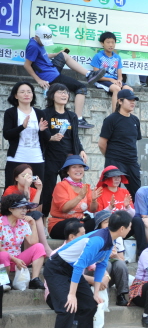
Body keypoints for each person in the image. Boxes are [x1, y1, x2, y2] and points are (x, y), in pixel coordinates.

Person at [44, 211, 132, 328]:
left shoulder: (111, 239)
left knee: (90, 304)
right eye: (130, 226)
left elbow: (101, 265)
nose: (131, 229)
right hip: (57, 268)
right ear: (122, 228)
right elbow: (79, 266)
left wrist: (96, 293)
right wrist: (72, 295)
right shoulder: (98, 239)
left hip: (71, 268)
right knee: (68, 307)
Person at [24, 26, 105, 129]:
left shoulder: (36, 42)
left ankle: (89, 74)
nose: (44, 42)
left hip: (51, 69)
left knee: (63, 55)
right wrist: (39, 80)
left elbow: (43, 56)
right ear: (37, 36)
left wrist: (57, 54)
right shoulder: (33, 46)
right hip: (50, 77)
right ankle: (78, 119)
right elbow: (26, 65)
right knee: (81, 88)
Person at [41, 83, 86, 218]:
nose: (64, 95)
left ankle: (69, 219)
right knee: (47, 190)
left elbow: (75, 137)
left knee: (71, 190)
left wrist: (81, 150)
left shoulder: (71, 115)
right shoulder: (45, 113)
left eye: (66, 93)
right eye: (60, 92)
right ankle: (43, 221)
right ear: (52, 95)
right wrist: (50, 137)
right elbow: (40, 133)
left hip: (68, 159)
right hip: (50, 158)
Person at [3, 81, 50, 190]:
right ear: (15, 95)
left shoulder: (39, 113)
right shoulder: (11, 112)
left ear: (33, 95)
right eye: (22, 92)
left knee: (36, 191)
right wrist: (22, 127)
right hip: (17, 158)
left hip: (36, 158)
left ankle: (35, 208)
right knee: (12, 190)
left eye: (29, 92)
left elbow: (47, 138)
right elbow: (7, 134)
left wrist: (42, 130)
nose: (26, 94)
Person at [98, 89, 142, 200]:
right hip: (115, 160)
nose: (133, 103)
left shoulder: (135, 120)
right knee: (112, 192)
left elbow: (133, 142)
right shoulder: (111, 119)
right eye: (129, 100)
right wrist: (110, 157)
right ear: (120, 101)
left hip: (131, 161)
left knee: (136, 193)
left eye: (134, 100)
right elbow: (102, 144)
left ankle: (135, 216)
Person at [0, 194, 46, 289]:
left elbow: (33, 242)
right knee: (3, 255)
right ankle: (4, 281)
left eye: (25, 208)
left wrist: (33, 224)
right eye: (21, 208)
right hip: (4, 259)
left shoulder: (23, 223)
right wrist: (14, 259)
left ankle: (34, 279)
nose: (24, 211)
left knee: (39, 247)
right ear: (10, 209)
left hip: (19, 260)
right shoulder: (0, 223)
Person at [48, 155, 99, 239]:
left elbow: (93, 210)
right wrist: (80, 196)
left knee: (98, 220)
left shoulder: (86, 186)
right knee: (75, 222)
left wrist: (94, 200)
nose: (78, 169)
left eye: (80, 166)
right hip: (60, 224)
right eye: (74, 167)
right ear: (68, 171)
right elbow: (64, 209)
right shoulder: (61, 185)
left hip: (80, 223)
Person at [90, 210, 130, 306]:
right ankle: (103, 293)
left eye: (110, 222)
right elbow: (93, 262)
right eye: (105, 222)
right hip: (95, 272)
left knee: (120, 264)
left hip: (112, 273)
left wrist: (115, 255)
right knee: (105, 264)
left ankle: (121, 294)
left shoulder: (118, 238)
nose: (108, 225)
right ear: (99, 225)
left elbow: (122, 259)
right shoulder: (98, 237)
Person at [90, 32, 134, 112]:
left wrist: (119, 80)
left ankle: (126, 113)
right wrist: (110, 80)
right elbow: (96, 75)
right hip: (102, 80)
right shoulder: (98, 56)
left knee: (129, 89)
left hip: (114, 81)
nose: (111, 45)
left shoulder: (117, 57)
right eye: (108, 42)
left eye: (113, 42)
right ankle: (115, 114)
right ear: (102, 43)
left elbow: (120, 75)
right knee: (116, 89)